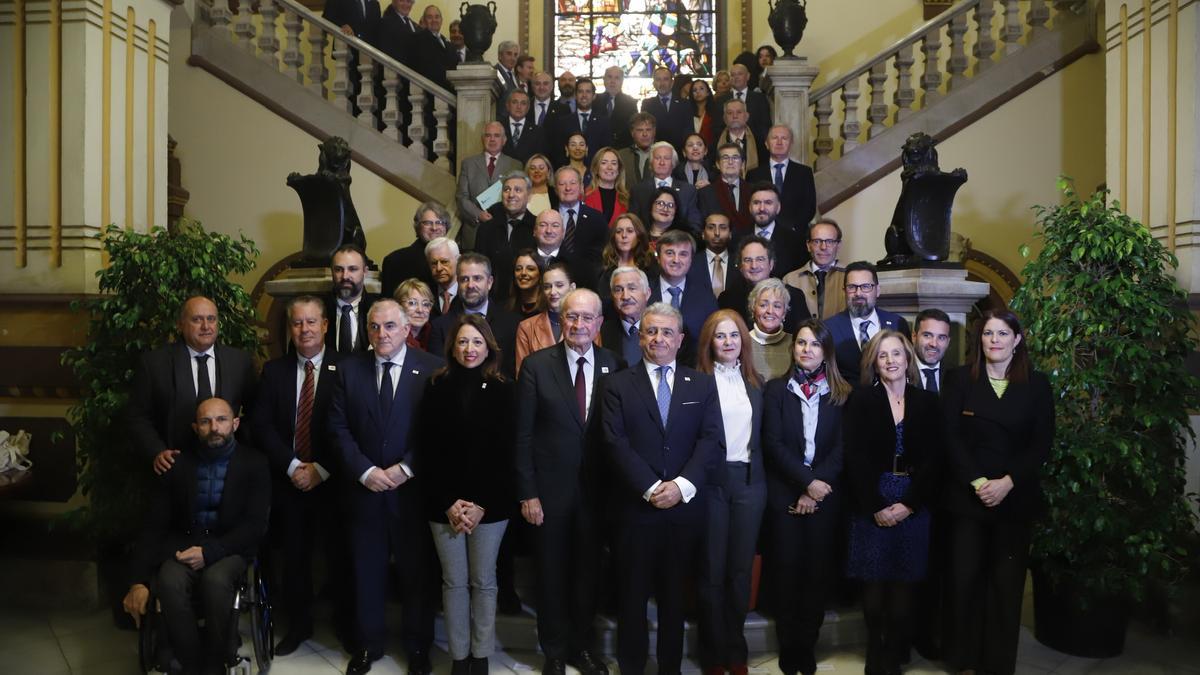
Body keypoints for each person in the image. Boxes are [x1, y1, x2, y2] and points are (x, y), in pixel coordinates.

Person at [601, 302, 724, 675]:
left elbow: (711, 440)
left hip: (684, 511)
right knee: (632, 598)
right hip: (636, 510)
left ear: (681, 339)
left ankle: (670, 667)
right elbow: (614, 442)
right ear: (640, 337)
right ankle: (633, 667)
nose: (659, 338)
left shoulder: (701, 384)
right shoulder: (617, 384)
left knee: (674, 599)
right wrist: (653, 487)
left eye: (667, 331)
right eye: (651, 331)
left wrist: (681, 487)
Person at [330, 299, 443, 675]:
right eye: (375, 327)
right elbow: (337, 428)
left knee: (416, 574)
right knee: (366, 572)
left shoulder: (430, 369)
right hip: (364, 491)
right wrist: (365, 472)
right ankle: (368, 644)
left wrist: (406, 468)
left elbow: (435, 430)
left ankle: (417, 648)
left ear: (407, 329)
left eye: (391, 326)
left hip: (411, 493)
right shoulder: (348, 371)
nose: (382, 334)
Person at [122, 397, 271, 675]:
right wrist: (137, 581)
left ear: (235, 424)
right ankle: (191, 662)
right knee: (168, 580)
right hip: (183, 546)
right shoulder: (177, 465)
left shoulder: (255, 464)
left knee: (215, 581)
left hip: (230, 548)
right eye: (205, 421)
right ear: (195, 427)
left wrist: (209, 553)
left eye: (222, 420)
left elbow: (254, 526)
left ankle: (217, 662)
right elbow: (154, 525)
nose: (214, 427)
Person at [942, 308, 1054, 675]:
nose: (995, 341)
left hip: (1014, 500)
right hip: (968, 499)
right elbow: (950, 438)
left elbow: (1041, 444)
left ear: (1017, 339)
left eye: (1003, 334)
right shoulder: (959, 379)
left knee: (1006, 590)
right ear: (980, 340)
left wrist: (1007, 482)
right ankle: (963, 660)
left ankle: (997, 665)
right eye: (988, 334)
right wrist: (978, 483)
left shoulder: (1037, 385)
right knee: (964, 583)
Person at [515, 288, 620, 675]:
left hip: (597, 494)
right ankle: (555, 652)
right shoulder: (537, 366)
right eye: (571, 317)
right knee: (552, 573)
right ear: (562, 320)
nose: (578, 324)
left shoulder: (615, 363)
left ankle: (582, 648)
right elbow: (523, 435)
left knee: (588, 575)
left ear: (598, 323)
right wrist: (528, 493)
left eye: (586, 318)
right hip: (549, 492)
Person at [416, 314, 516, 675]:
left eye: (476, 341)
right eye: (462, 342)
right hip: (444, 505)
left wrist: (480, 506)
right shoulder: (435, 386)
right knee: (454, 581)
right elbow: (427, 451)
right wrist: (450, 504)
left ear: (488, 346)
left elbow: (507, 455)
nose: (469, 349)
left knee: (484, 581)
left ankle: (481, 653)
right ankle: (460, 656)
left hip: (491, 505)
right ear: (451, 347)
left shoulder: (505, 388)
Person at [251, 296, 351, 656]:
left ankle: (346, 625)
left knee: (341, 557)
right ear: (289, 328)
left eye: (311, 322)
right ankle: (298, 625)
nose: (304, 330)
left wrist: (320, 470)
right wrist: (294, 467)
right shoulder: (274, 371)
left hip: (334, 480)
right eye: (297, 323)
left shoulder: (348, 367)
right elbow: (261, 427)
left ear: (325, 325)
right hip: (289, 481)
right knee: (295, 560)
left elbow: (351, 428)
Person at [844, 330, 943, 675]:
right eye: (883, 355)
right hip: (872, 498)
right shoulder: (861, 400)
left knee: (903, 586)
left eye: (896, 354)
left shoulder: (927, 402)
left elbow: (935, 460)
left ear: (907, 359)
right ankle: (875, 649)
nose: (890, 361)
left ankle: (894, 651)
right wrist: (875, 506)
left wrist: (910, 504)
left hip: (913, 499)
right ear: (874, 361)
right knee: (873, 585)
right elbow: (854, 458)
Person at [762, 319, 853, 675]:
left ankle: (807, 645)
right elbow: (773, 444)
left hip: (825, 497)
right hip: (785, 494)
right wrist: (804, 483)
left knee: (816, 574)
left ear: (826, 351)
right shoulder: (775, 390)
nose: (806, 350)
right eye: (801, 343)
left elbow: (843, 448)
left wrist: (816, 488)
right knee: (786, 573)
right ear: (793, 347)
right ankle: (789, 647)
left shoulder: (842, 393)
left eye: (815, 345)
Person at [695, 309, 766, 675]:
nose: (728, 342)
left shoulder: (756, 382)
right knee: (711, 572)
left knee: (740, 572)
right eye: (720, 336)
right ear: (709, 341)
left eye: (734, 335)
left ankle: (735, 650)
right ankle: (711, 652)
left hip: (750, 484)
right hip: (711, 485)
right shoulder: (695, 382)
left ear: (743, 341)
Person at [128, 295, 258, 475]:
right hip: (174, 467)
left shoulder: (240, 361)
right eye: (197, 320)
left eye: (211, 319)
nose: (206, 326)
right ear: (180, 324)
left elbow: (255, 412)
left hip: (229, 468)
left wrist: (241, 447)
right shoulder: (154, 364)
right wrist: (156, 452)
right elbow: (138, 416)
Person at [428, 253, 522, 379]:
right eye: (464, 279)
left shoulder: (513, 324)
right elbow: (440, 374)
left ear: (489, 282)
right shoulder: (439, 326)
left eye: (477, 278)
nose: (470, 285)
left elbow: (513, 372)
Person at [825, 261, 911, 384]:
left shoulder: (897, 323)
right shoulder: (829, 328)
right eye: (852, 287)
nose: (858, 293)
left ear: (877, 290)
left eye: (866, 286)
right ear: (844, 291)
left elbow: (908, 368)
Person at [647, 228, 717, 366]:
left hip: (693, 371)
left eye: (683, 254)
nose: (676, 260)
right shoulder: (644, 291)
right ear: (658, 257)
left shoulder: (705, 296)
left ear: (691, 259)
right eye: (669, 253)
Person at [719, 235, 805, 333]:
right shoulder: (727, 299)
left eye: (760, 259)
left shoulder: (794, 296)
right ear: (740, 266)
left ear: (771, 264)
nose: (754, 266)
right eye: (748, 260)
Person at [456, 122, 521, 250]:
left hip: (504, 230)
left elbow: (520, 198)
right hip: (474, 231)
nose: (492, 139)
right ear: (482, 139)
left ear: (504, 140)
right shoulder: (468, 164)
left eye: (497, 135)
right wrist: (478, 214)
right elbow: (461, 197)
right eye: (488, 135)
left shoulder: (516, 165)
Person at [476, 171, 536, 304]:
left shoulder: (536, 228)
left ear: (529, 196)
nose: (511, 195)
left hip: (525, 301)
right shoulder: (486, 228)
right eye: (506, 189)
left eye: (518, 190)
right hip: (491, 301)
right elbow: (479, 267)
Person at [746, 125, 817, 235]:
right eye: (774, 138)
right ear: (766, 144)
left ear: (791, 143)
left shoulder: (804, 173)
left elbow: (809, 207)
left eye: (784, 138)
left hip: (795, 235)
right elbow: (751, 205)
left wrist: (792, 227)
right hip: (762, 234)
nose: (779, 142)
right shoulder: (753, 174)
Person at [514, 261, 575, 375]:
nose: (552, 292)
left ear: (572, 287)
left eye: (559, 285)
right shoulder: (527, 327)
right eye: (547, 287)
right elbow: (522, 376)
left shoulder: (587, 324)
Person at [629, 141, 703, 233]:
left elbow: (694, 223)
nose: (662, 162)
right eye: (657, 158)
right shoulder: (638, 190)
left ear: (673, 163)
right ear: (651, 163)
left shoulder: (688, 190)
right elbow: (632, 224)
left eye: (667, 158)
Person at [554, 165, 609, 288]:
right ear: (556, 189)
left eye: (573, 183)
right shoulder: (548, 218)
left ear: (581, 187)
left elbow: (603, 254)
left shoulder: (596, 218)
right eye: (562, 184)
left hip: (589, 284)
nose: (568, 188)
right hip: (555, 282)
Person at [782, 218, 847, 321]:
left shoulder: (850, 276)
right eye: (817, 241)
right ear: (808, 245)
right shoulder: (789, 280)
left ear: (838, 246)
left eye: (829, 241)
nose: (823, 247)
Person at [382, 201, 451, 298]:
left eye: (439, 223)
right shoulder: (395, 261)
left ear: (446, 227)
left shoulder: (458, 259)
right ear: (418, 227)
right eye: (427, 223)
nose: (434, 228)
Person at [744, 183, 806, 278]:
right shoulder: (737, 238)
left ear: (778, 208)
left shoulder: (795, 241)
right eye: (756, 203)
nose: (762, 208)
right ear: (749, 207)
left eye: (768, 203)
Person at [326, 245, 380, 354]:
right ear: (332, 272)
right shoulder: (319, 310)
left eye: (353, 269)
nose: (345, 276)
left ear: (365, 272)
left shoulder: (379, 309)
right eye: (338, 270)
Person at [601, 266, 652, 368]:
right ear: (612, 296)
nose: (625, 296)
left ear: (647, 293)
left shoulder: (662, 329)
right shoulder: (602, 332)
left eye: (632, 288)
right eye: (618, 290)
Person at [552, 78, 610, 166]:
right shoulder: (563, 122)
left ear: (594, 96)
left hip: (596, 172)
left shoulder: (604, 122)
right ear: (575, 95)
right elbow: (559, 152)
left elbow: (606, 151)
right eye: (580, 91)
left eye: (588, 92)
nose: (584, 95)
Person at [713, 64, 771, 152]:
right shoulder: (721, 101)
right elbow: (717, 127)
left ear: (748, 76)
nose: (736, 77)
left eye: (739, 74)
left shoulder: (760, 99)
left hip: (756, 149)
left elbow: (765, 125)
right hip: (728, 148)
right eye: (733, 75)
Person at [698, 142, 753, 233]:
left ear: (743, 164)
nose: (730, 162)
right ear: (718, 164)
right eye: (725, 158)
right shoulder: (705, 193)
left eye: (735, 157)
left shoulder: (753, 191)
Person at [747, 278, 795, 381]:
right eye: (763, 305)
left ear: (784, 313)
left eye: (777, 306)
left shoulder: (795, 344)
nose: (770, 311)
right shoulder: (741, 342)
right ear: (753, 309)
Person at [639, 66, 691, 152]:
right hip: (655, 152)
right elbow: (645, 130)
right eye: (658, 80)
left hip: (679, 153)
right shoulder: (647, 104)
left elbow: (688, 130)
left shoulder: (684, 104)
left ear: (672, 82)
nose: (662, 83)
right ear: (654, 83)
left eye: (665, 79)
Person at [584, 147, 630, 226]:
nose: (609, 167)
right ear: (596, 168)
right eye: (604, 163)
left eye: (614, 163)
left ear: (619, 169)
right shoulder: (585, 195)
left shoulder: (627, 198)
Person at [712, 99, 760, 175]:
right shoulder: (715, 142)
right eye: (730, 113)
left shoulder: (759, 141)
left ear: (747, 116)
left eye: (739, 112)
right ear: (724, 118)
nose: (735, 116)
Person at [595, 65, 638, 148]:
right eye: (609, 77)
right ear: (604, 80)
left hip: (622, 149)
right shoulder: (595, 100)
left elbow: (633, 129)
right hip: (598, 149)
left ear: (622, 81)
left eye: (617, 78)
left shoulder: (631, 102)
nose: (612, 81)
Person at [502, 90, 549, 164]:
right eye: (514, 102)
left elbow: (540, 158)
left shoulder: (538, 131)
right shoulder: (498, 127)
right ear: (507, 105)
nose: (519, 106)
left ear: (528, 108)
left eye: (523, 103)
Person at [912, 308, 951, 394]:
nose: (934, 344)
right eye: (927, 335)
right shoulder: (899, 373)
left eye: (941, 337)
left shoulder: (956, 376)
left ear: (948, 342)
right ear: (914, 337)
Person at [616, 113, 657, 193]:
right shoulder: (621, 155)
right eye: (640, 130)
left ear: (654, 131)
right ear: (632, 133)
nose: (645, 134)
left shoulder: (666, 153)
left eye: (648, 130)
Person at [395, 278, 436, 350]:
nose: (420, 310)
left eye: (426, 304)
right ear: (399, 306)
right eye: (412, 303)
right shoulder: (391, 338)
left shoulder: (435, 334)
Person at [426, 236, 461, 317]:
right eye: (434, 263)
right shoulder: (425, 294)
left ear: (458, 260)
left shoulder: (469, 291)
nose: (439, 268)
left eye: (444, 262)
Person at [507, 249, 543, 319]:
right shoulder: (506, 308)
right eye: (518, 269)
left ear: (540, 274)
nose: (523, 273)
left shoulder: (547, 309)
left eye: (530, 269)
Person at [689, 79, 718, 148]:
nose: (698, 92)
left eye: (701, 89)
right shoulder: (687, 112)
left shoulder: (715, 112)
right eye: (694, 90)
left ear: (708, 92)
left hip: (711, 150)